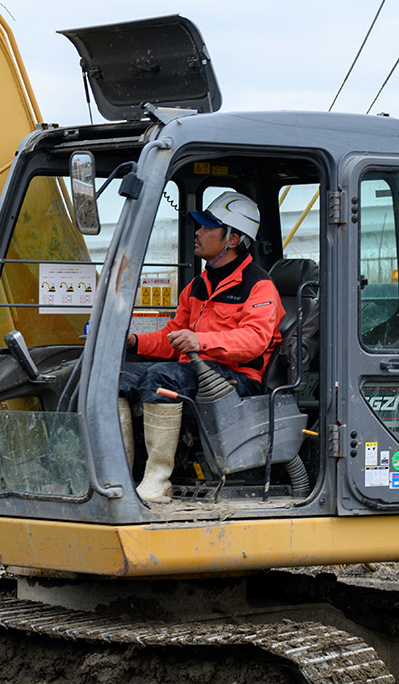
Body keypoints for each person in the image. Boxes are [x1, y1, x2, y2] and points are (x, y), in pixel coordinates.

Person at [119, 191, 284, 504]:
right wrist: (135, 341)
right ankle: (121, 477)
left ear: (232, 239)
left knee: (162, 378)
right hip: (194, 371)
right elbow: (172, 336)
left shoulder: (259, 286)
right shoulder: (198, 285)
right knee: (117, 377)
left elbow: (254, 340)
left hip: (238, 380)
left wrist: (201, 341)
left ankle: (157, 482)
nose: (197, 232)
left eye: (207, 226)